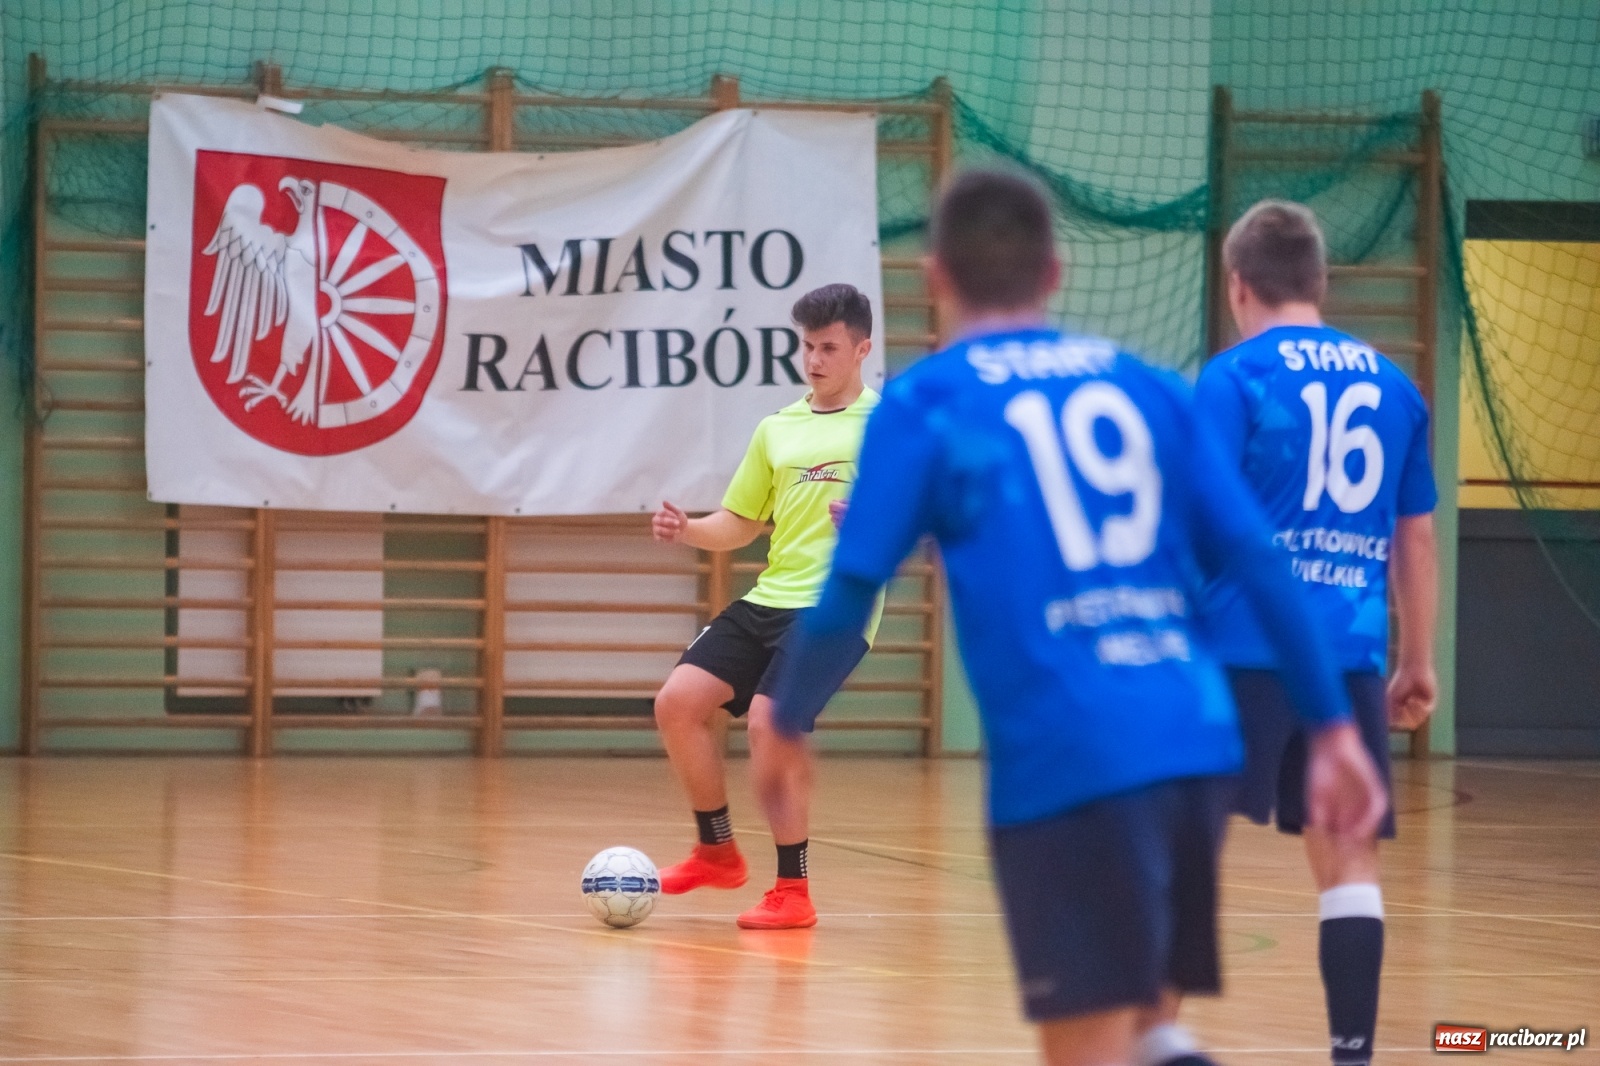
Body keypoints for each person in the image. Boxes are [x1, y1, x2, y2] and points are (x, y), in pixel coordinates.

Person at [769, 170, 1388, 1066]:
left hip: (1072, 752)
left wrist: (786, 722)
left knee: (1086, 1045)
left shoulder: (930, 400)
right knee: (1145, 1025)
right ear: (1055, 274)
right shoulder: (1149, 388)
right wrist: (1332, 728)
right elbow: (1260, 558)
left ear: (936, 276)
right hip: (1198, 740)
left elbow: (852, 584)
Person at [1193, 199, 1438, 1066]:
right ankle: (1351, 1054)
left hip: (1240, 650)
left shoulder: (1232, 380)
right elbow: (1413, 536)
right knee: (1349, 861)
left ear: (1238, 286)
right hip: (1348, 658)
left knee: (1185, 849)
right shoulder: (1395, 388)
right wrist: (1414, 660)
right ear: (1322, 283)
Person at [649, 282, 882, 931]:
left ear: (862, 349)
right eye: (806, 346)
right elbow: (740, 522)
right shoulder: (777, 428)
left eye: (828, 347)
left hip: (837, 606)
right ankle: (716, 851)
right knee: (678, 703)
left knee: (767, 722)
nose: (813, 359)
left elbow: (923, 523)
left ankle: (793, 890)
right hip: (769, 597)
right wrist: (689, 529)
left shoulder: (890, 428)